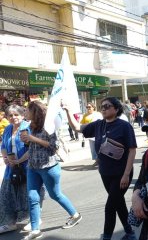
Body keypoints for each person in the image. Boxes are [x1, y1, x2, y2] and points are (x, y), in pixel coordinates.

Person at [65, 97, 137, 240]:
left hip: (121, 173)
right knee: (118, 203)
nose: (103, 108)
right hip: (105, 173)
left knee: (110, 206)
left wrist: (126, 175)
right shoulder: (98, 125)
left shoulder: (124, 126)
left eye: (107, 106)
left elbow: (132, 150)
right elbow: (77, 128)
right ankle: (130, 233)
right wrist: (68, 111)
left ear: (116, 109)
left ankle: (107, 236)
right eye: (102, 106)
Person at [21, 101, 82, 240]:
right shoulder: (29, 125)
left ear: (35, 112)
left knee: (55, 195)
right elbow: (31, 144)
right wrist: (26, 140)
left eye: (27, 110)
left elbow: (54, 146)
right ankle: (35, 230)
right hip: (32, 166)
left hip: (48, 166)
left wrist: (32, 138)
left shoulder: (49, 126)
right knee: (32, 197)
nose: (25, 112)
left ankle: (75, 215)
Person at [0, 105, 30, 234]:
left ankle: (32, 219)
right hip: (11, 167)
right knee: (7, 193)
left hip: (27, 167)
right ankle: (9, 222)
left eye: (16, 114)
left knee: (27, 193)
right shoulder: (7, 128)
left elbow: (31, 150)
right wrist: (6, 158)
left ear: (22, 115)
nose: (13, 117)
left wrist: (18, 161)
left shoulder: (27, 128)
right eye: (10, 115)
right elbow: (3, 145)